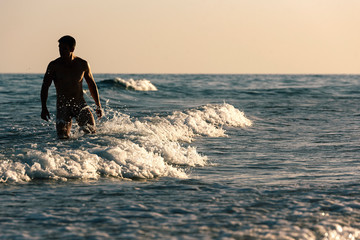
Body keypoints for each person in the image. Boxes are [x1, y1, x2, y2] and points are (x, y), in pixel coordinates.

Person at [41, 35, 103, 139]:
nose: (61, 51)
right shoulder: (54, 66)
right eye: (59, 48)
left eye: (64, 48)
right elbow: (45, 87)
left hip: (80, 104)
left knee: (92, 134)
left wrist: (98, 105)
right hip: (63, 106)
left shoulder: (82, 64)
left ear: (72, 49)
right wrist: (44, 108)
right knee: (62, 138)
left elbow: (92, 85)